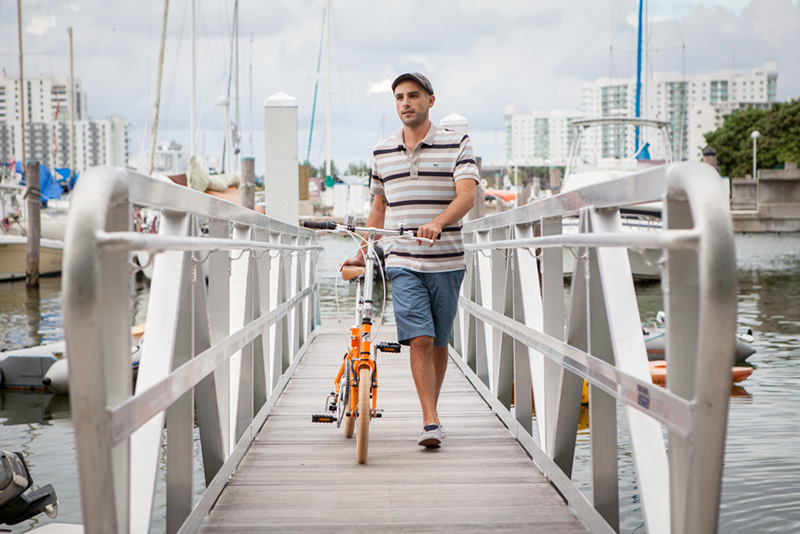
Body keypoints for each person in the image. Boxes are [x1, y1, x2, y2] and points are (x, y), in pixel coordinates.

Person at [343, 72, 479, 448]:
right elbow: (378, 206)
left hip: (447, 260)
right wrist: (366, 249)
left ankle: (431, 410)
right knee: (419, 338)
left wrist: (437, 223)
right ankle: (430, 421)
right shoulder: (381, 151)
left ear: (430, 101)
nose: (405, 103)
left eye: (413, 96)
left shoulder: (457, 144)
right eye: (400, 97)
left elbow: (466, 196)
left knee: (438, 341)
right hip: (402, 259)